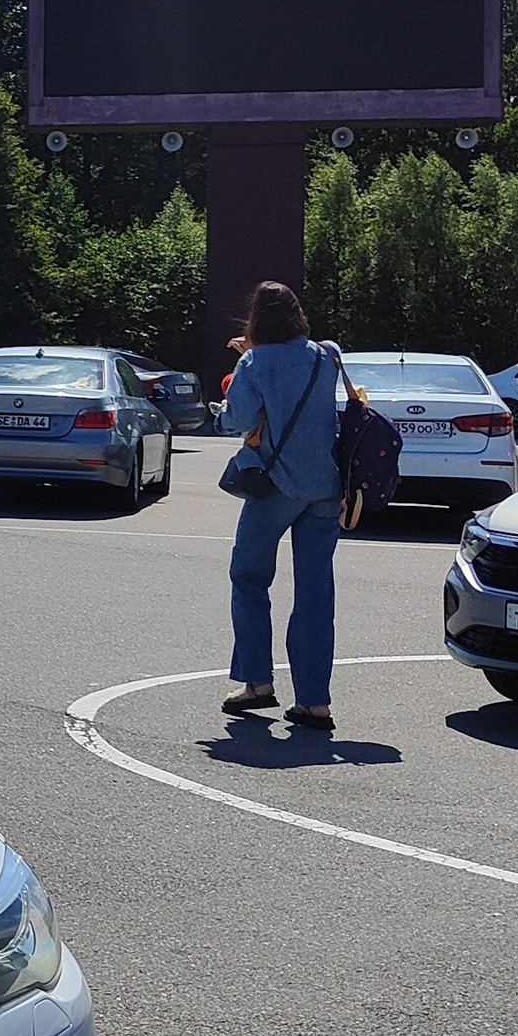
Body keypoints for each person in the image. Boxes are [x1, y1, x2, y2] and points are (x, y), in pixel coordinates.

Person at [218, 280, 344, 730]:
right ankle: (314, 701)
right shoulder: (326, 356)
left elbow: (235, 418)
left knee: (249, 577)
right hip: (325, 486)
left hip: (274, 486)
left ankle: (257, 682)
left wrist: (243, 364)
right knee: (315, 592)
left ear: (257, 319)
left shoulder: (254, 362)